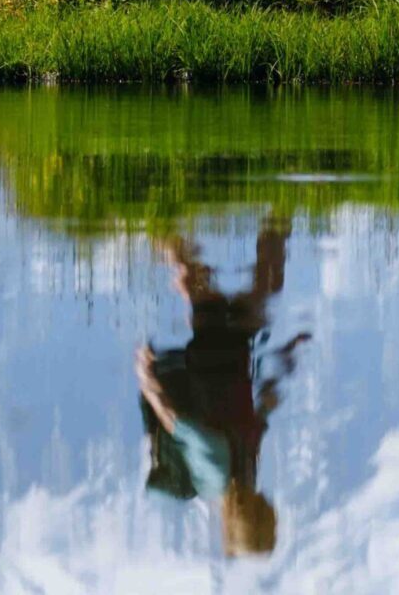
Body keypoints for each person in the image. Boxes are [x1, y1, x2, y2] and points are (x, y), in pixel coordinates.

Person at [135, 216, 310, 558]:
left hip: (212, 353)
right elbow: (258, 417)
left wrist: (148, 379)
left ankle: (152, 216)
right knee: (266, 279)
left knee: (194, 276)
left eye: (259, 513)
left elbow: (178, 424)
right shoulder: (246, 474)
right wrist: (285, 362)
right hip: (236, 354)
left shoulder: (215, 475)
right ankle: (282, 205)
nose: (262, 505)